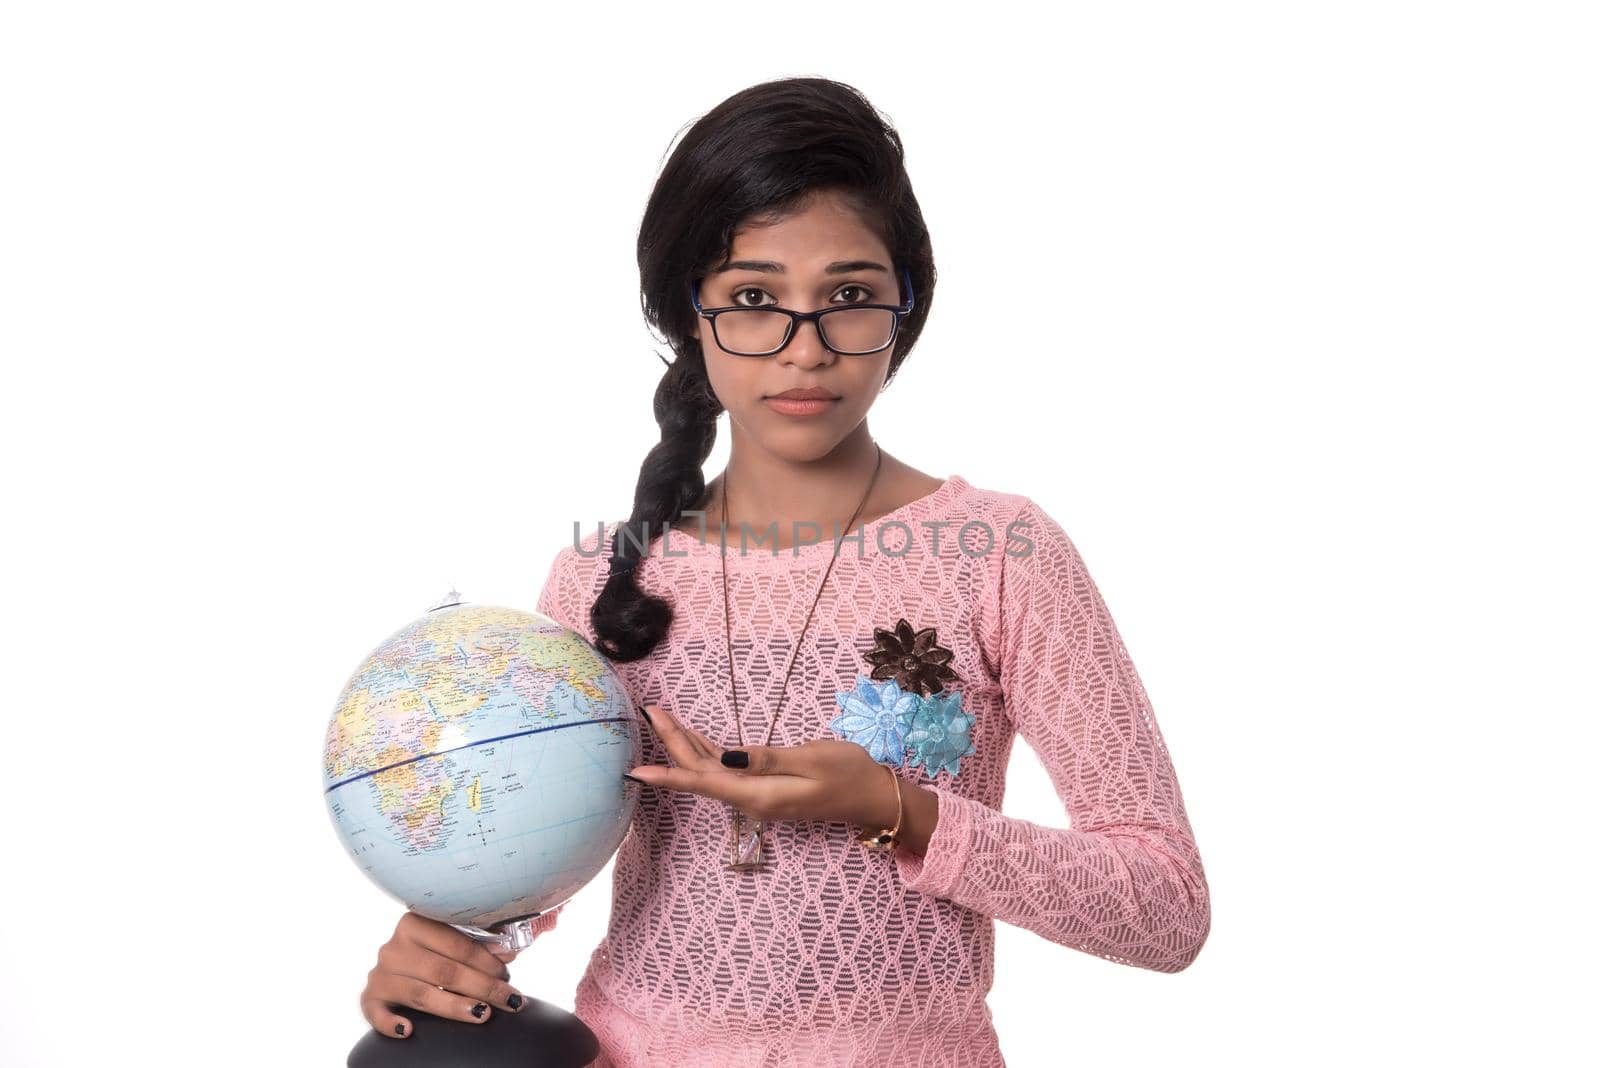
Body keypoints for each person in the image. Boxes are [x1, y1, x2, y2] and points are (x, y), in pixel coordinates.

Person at [357, 76, 1211, 1066]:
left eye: (848, 298)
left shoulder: (1001, 554)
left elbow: (1163, 908)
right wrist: (441, 956)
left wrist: (892, 808)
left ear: (906, 307)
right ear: (690, 314)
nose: (804, 351)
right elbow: (520, 873)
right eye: (754, 299)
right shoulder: (596, 579)